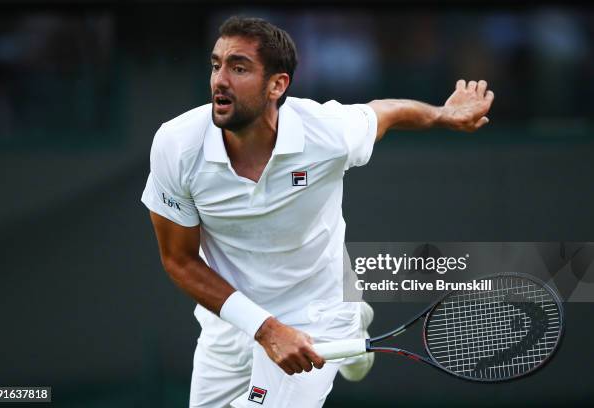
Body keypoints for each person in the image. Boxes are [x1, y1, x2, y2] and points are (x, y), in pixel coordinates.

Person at [141, 16, 494, 408]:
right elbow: (179, 259)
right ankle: (354, 338)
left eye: (238, 68)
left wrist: (441, 115)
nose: (220, 80)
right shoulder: (177, 145)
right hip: (230, 322)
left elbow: (386, 112)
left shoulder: (326, 133)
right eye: (216, 64)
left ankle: (348, 330)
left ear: (277, 85)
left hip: (315, 315)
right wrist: (264, 327)